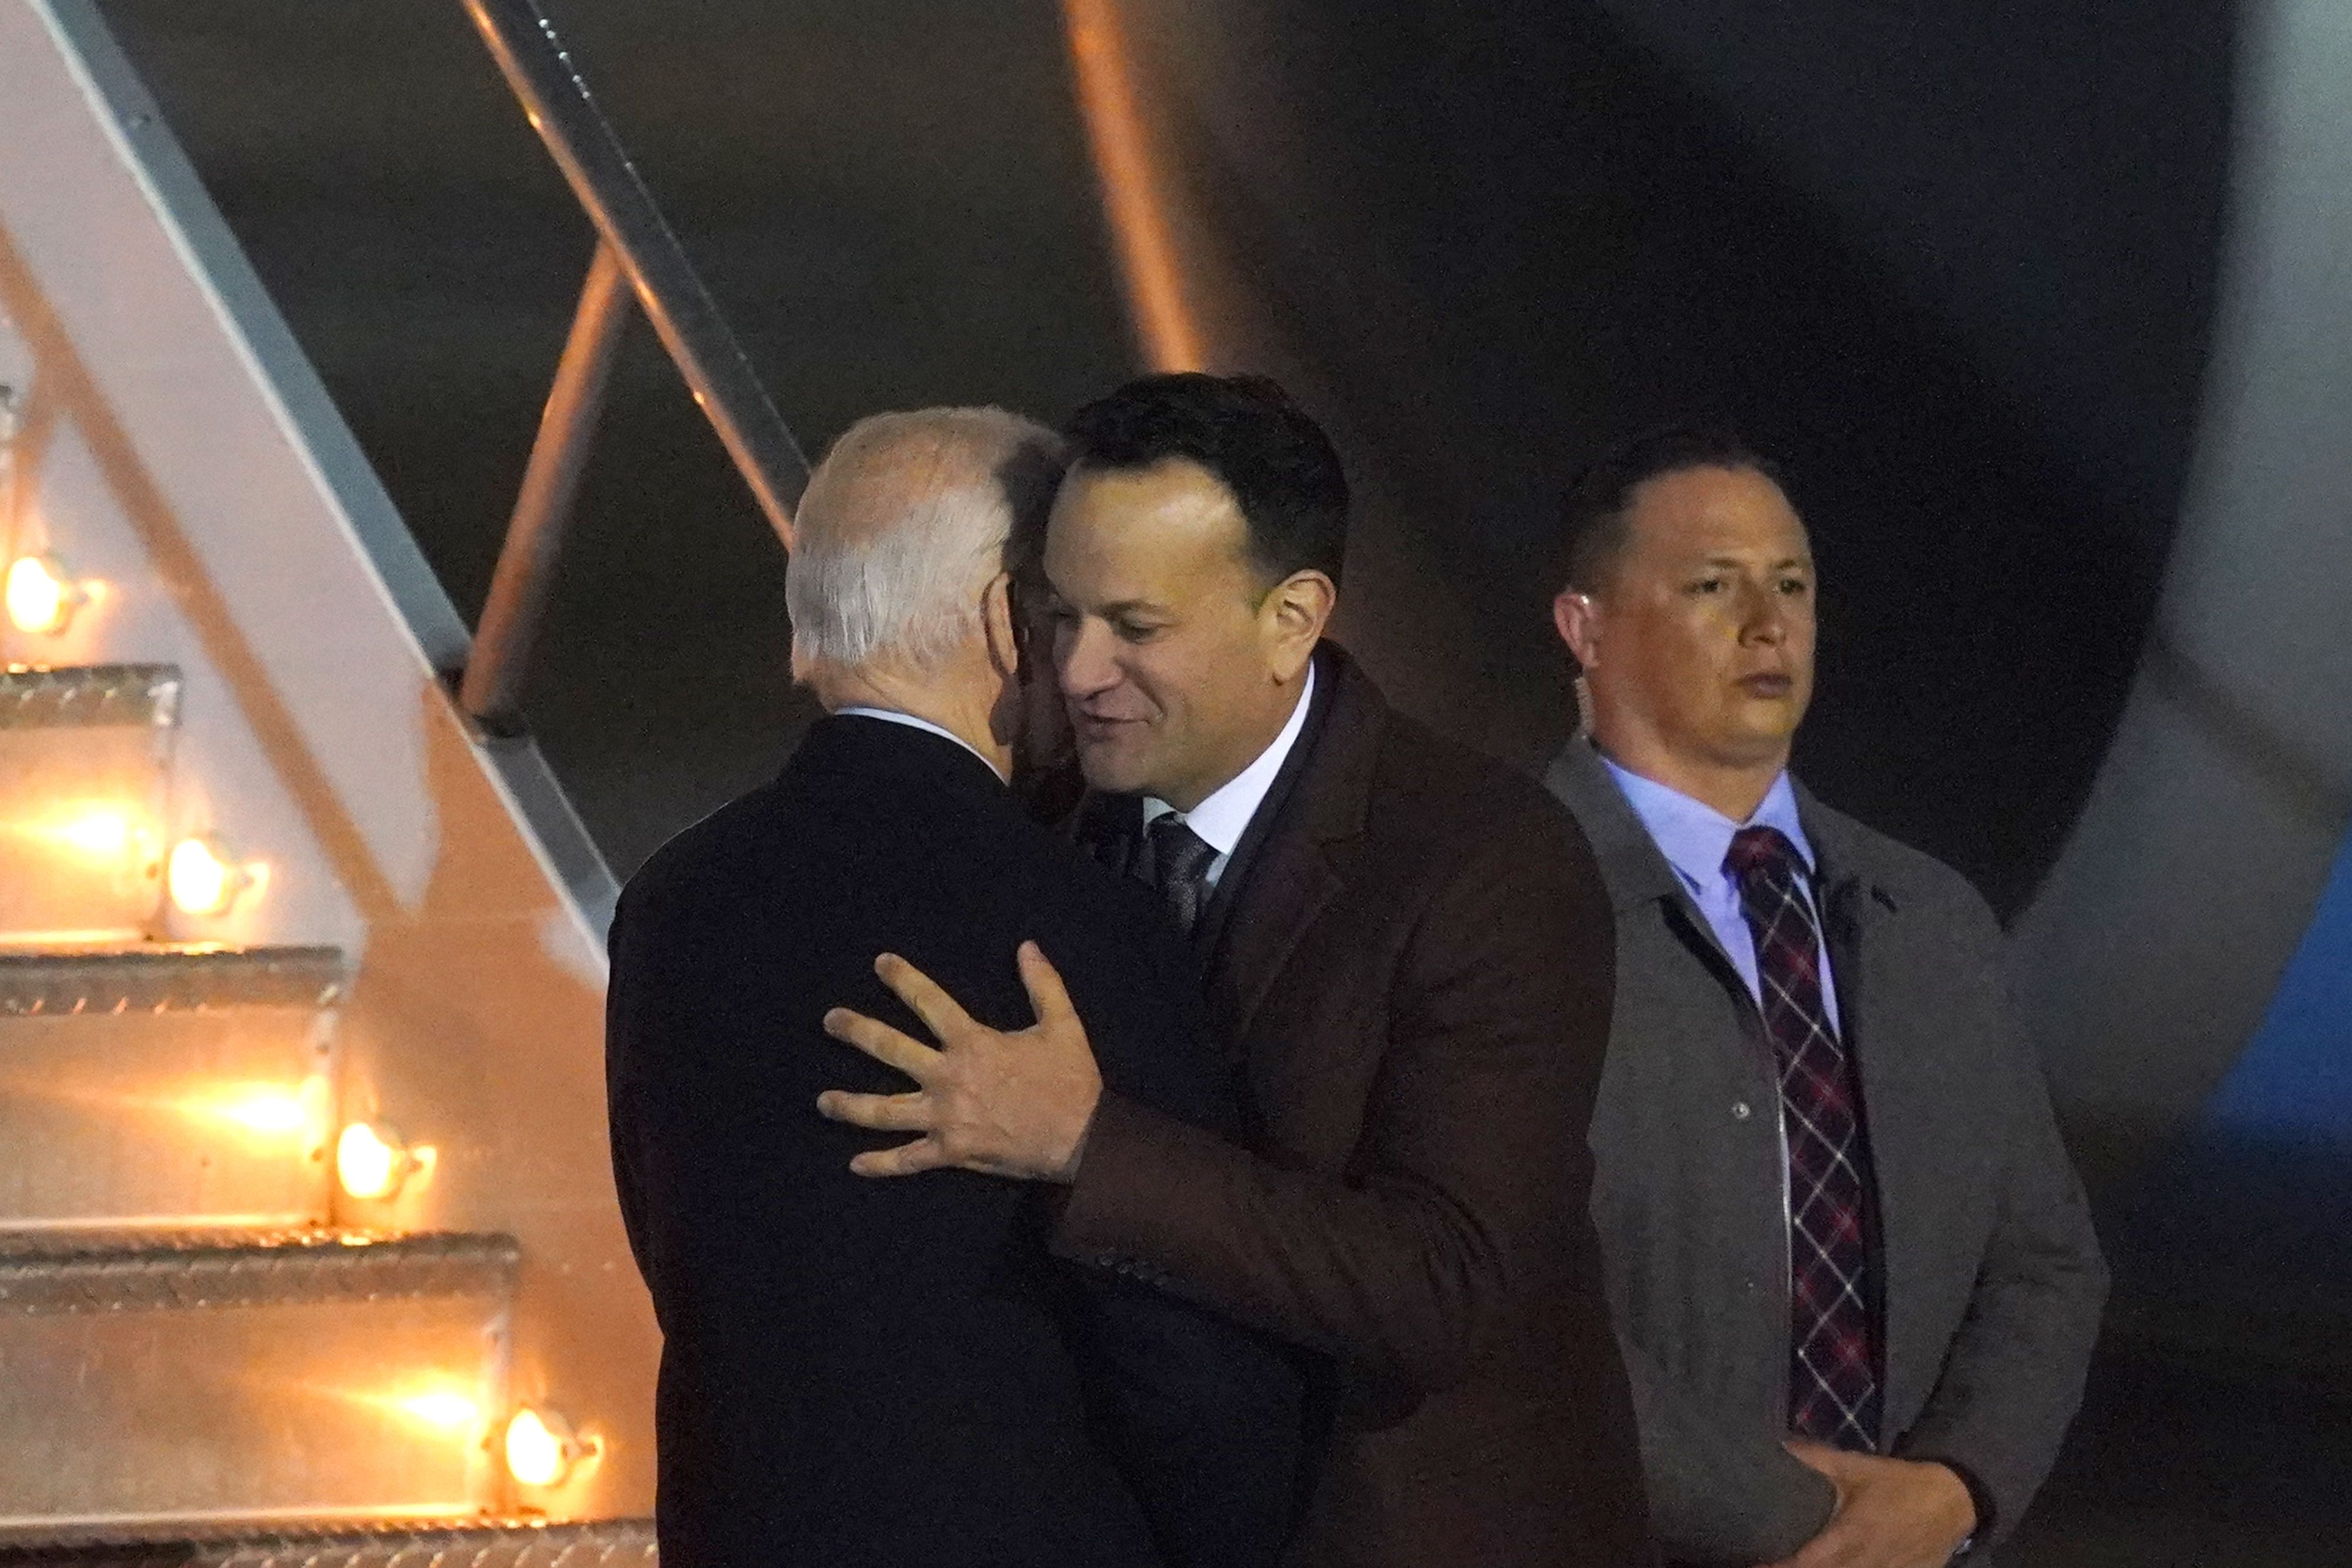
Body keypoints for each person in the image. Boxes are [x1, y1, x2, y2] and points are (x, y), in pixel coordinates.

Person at [817, 373, 1653, 1567]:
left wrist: (1085, 1143)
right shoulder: (1048, 824)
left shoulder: (1484, 861)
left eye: (1136, 626)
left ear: (1293, 617)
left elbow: (1445, 1287)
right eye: (1058, 616)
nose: (1080, 669)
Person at [604, 407, 1304, 1568]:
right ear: (1004, 617)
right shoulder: (1075, 919)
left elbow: (671, 1244)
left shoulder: (676, 900)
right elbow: (1190, 1352)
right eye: (1065, 605)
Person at [1542, 427, 2109, 1567]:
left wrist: (1951, 1491)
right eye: (1713, 585)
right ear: (1584, 626)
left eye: (1790, 583)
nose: (1769, 622)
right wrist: (1808, 1529)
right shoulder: (1498, 896)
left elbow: (2043, 1262)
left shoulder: (1928, 916)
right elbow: (1492, 1303)